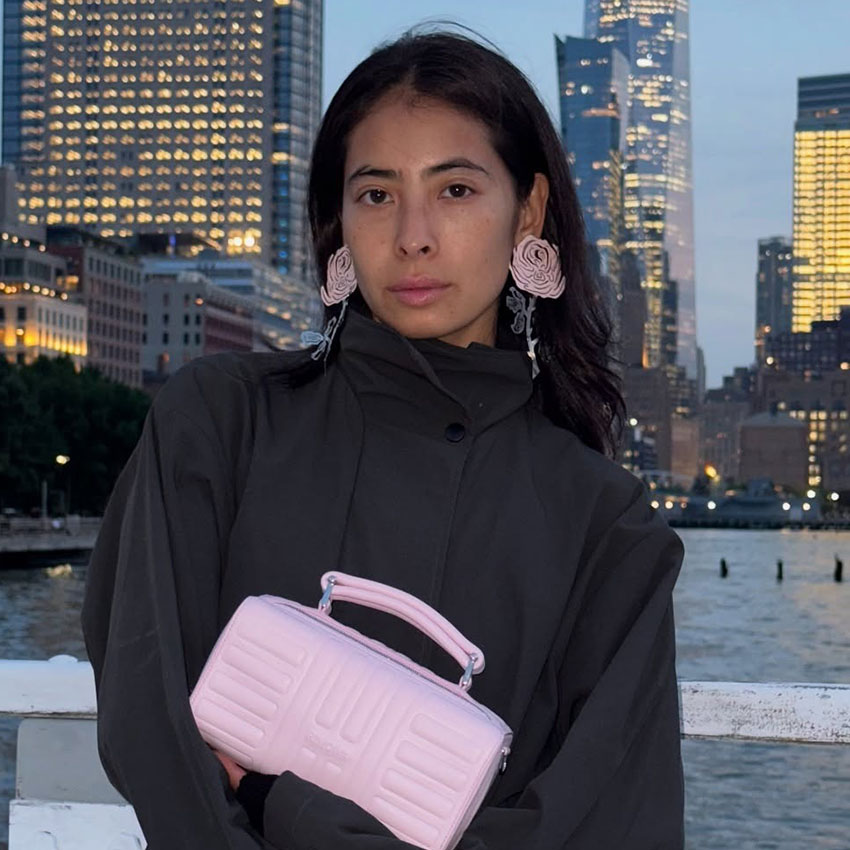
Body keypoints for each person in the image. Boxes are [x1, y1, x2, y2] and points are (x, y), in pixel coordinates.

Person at [82, 28, 686, 849]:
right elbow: (146, 713)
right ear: (338, 218)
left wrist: (279, 802)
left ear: (529, 212)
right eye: (375, 194)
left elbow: (610, 822)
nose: (413, 236)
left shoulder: (605, 524)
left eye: (457, 190)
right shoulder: (218, 423)